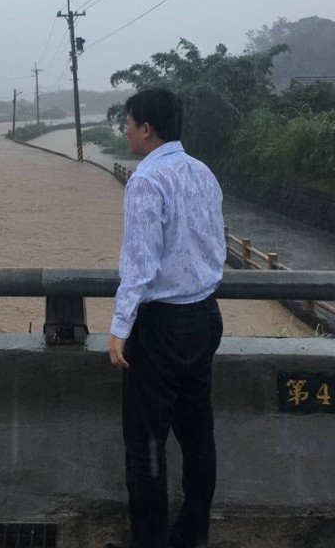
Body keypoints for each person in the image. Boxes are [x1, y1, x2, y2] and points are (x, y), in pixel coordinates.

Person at [107, 88, 225, 548]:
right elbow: (215, 244)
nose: (125, 131)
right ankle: (192, 535)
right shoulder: (203, 172)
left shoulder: (147, 180)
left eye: (128, 123)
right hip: (204, 318)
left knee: (146, 445)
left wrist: (120, 328)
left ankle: (150, 541)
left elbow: (139, 264)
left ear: (146, 129)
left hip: (161, 329)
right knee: (198, 437)